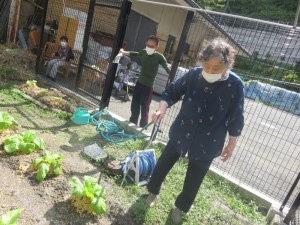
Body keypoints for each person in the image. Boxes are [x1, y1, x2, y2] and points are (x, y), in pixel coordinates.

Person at [145, 38, 245, 224]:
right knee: (162, 166)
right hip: (182, 131)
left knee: (194, 180)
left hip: (208, 141)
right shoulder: (193, 75)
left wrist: (232, 143)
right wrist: (162, 109)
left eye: (216, 68)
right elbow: (172, 92)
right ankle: (153, 191)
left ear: (227, 65)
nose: (209, 71)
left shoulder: (235, 85)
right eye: (207, 66)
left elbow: (236, 115)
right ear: (202, 61)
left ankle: (180, 207)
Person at [120, 35, 170, 127]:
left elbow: (166, 67)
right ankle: (132, 123)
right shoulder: (143, 52)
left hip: (148, 87)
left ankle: (143, 127)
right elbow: (135, 53)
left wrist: (171, 73)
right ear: (146, 43)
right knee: (134, 104)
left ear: (157, 46)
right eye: (148, 45)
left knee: (145, 107)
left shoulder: (159, 57)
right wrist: (124, 52)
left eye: (152, 46)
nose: (149, 48)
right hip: (139, 84)